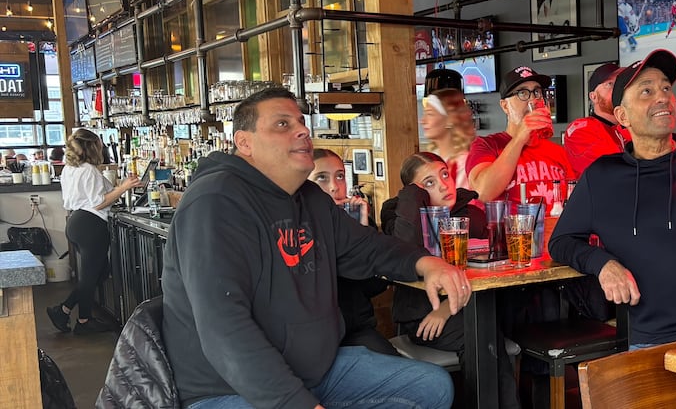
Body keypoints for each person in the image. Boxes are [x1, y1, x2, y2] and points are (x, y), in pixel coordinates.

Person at [161, 88, 467, 409]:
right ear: (244, 142)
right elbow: (224, 328)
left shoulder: (311, 199)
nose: (302, 130)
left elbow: (367, 248)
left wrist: (426, 263)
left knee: (431, 386)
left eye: (301, 121)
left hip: (315, 372)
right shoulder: (215, 202)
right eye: (282, 124)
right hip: (229, 388)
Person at [549, 50, 676, 346]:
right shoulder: (602, 177)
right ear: (622, 116)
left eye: (666, 89)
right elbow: (561, 241)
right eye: (647, 91)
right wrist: (603, 264)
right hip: (644, 341)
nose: (662, 98)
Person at [388, 153, 523, 408]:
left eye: (444, 174)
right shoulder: (400, 218)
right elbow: (402, 255)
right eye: (428, 183)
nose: (442, 185)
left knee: (486, 329)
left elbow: (488, 269)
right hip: (422, 316)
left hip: (469, 308)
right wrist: (413, 200)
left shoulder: (470, 216)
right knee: (480, 334)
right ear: (414, 192)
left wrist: (447, 309)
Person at [46, 129, 142, 334]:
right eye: (99, 144)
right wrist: (124, 187)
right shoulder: (88, 170)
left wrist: (119, 187)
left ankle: (63, 310)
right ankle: (83, 321)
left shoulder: (69, 169)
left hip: (76, 222)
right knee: (90, 276)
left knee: (99, 271)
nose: (101, 148)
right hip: (91, 225)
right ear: (92, 146)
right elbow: (98, 202)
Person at [308, 148, 395, 356]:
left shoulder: (358, 223)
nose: (333, 187)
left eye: (340, 177)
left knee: (403, 376)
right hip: (312, 337)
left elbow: (375, 285)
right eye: (322, 178)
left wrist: (363, 231)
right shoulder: (298, 228)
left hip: (356, 332)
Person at [467, 66, 574, 205]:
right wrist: (519, 139)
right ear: (505, 106)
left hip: (555, 226)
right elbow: (482, 192)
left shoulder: (559, 151)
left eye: (537, 92)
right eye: (523, 93)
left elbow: (574, 199)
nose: (533, 100)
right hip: (512, 226)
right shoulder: (487, 144)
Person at [563, 62, 629, 175]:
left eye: (620, 84)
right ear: (593, 96)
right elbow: (615, 171)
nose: (618, 89)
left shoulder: (629, 128)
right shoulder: (581, 129)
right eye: (610, 84)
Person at [420, 88, 476, 190]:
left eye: (430, 114)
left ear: (449, 119)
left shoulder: (465, 164)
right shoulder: (429, 160)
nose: (423, 121)